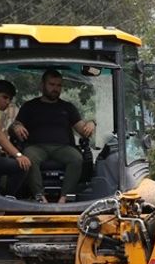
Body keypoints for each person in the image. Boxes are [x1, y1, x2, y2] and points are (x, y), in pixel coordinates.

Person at [12, 69, 95, 202]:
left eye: (58, 85)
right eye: (52, 84)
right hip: (36, 147)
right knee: (28, 158)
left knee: (77, 158)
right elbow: (16, 124)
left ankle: (64, 198)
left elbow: (82, 129)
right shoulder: (30, 106)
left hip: (62, 148)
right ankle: (40, 197)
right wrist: (17, 126)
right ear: (43, 85)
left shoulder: (68, 107)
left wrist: (91, 123)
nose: (55, 88)